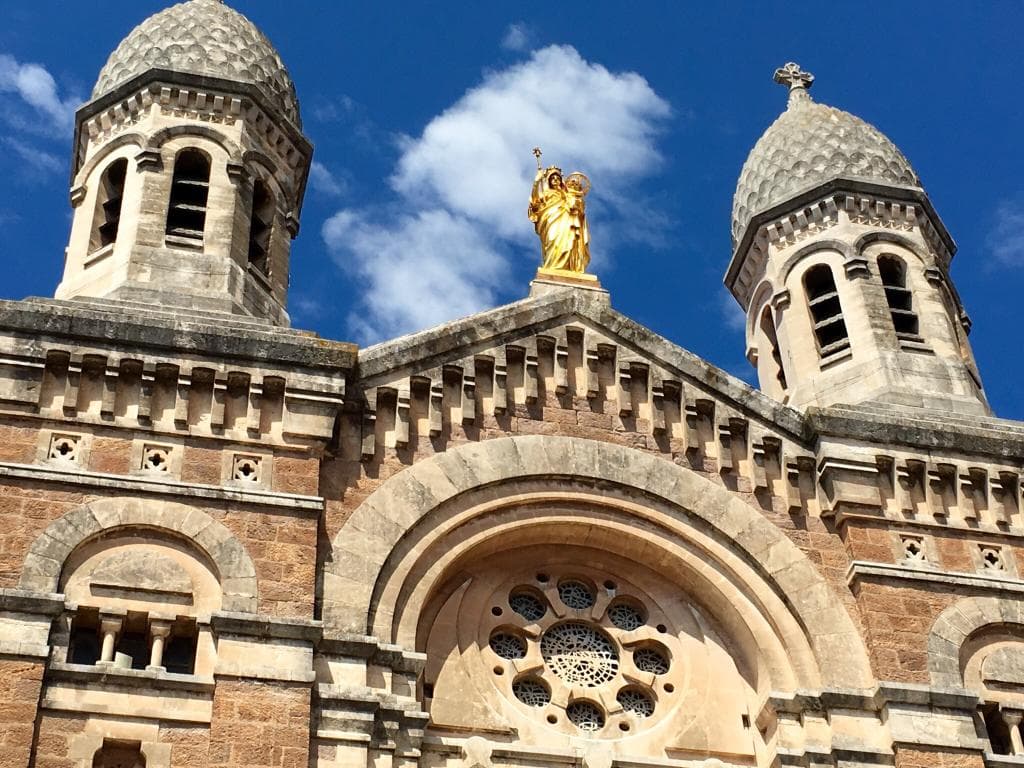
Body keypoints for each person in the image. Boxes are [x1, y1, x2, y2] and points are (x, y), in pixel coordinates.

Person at [528, 166, 591, 273]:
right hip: (551, 218)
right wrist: (537, 181)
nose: (555, 180)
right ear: (548, 181)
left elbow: (578, 207)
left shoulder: (567, 194)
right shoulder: (546, 193)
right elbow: (535, 201)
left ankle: (567, 267)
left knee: (569, 240)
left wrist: (576, 200)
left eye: (557, 178)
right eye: (552, 178)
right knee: (554, 240)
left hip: (567, 219)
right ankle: (552, 266)